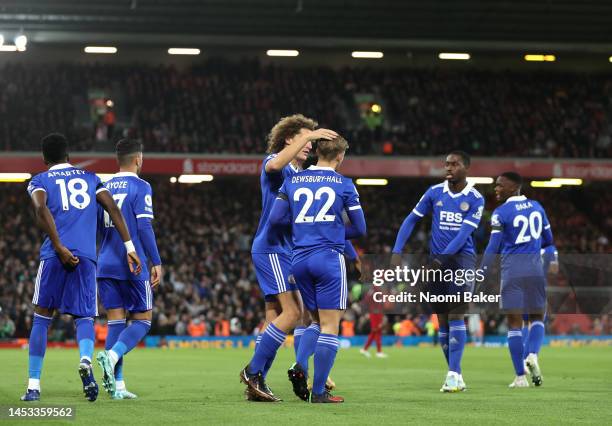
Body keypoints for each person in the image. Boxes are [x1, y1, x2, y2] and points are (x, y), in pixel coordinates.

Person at [21, 133, 141, 402]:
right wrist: (130, 248)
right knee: (84, 317)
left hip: (54, 255)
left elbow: (41, 209)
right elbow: (112, 207)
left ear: (44, 158)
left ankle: (33, 386)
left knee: (42, 317)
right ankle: (86, 360)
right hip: (87, 256)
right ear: (68, 155)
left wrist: (59, 246)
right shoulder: (90, 178)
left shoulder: (39, 180)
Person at [241, 114, 338, 402]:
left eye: (311, 141)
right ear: (288, 139)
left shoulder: (301, 176)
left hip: (287, 251)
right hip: (272, 248)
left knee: (278, 316)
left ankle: (257, 384)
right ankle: (253, 371)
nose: (310, 145)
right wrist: (309, 136)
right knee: (294, 313)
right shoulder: (275, 163)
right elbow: (274, 164)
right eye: (304, 139)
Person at [268, 135, 366, 403]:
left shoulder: (293, 180)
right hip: (328, 259)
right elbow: (360, 228)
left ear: (316, 153)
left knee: (312, 319)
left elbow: (276, 219)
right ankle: (319, 392)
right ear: (340, 156)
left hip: (299, 259)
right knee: (331, 325)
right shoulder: (345, 185)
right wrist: (329, 229)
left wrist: (305, 228)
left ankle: (300, 365)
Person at [391, 151, 484, 392]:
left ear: (466, 168)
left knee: (456, 315)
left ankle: (453, 374)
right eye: (446, 164)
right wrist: (397, 249)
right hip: (437, 264)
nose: (449, 168)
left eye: (455, 164)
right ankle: (456, 374)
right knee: (442, 320)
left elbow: (464, 235)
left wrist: (440, 260)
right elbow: (411, 220)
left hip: (461, 263)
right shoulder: (434, 193)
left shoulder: (475, 198)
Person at [96, 139, 162, 399]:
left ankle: (118, 386)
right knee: (143, 321)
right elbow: (144, 227)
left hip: (106, 261)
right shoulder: (141, 186)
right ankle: (111, 356)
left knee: (115, 322)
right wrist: (156, 261)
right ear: (138, 159)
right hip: (132, 264)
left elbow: (100, 228)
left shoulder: (103, 186)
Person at [482, 172, 554, 388]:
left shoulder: (500, 213)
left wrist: (482, 271)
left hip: (512, 272)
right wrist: (551, 261)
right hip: (535, 271)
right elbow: (549, 243)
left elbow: (493, 247)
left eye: (499, 186)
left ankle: (520, 378)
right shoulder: (537, 207)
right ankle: (532, 354)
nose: (496, 189)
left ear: (513, 188)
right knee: (537, 318)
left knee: (514, 325)